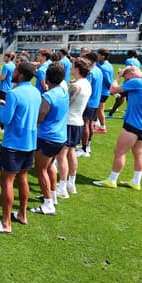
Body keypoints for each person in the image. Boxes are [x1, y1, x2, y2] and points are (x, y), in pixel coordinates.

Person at [0, 62, 41, 234]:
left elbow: (6, 120)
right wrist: (5, 103)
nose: (13, 73)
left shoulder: (13, 93)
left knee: (7, 182)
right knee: (22, 177)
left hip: (13, 143)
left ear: (21, 75)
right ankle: (22, 214)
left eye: (16, 70)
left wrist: (0, 106)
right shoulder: (36, 91)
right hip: (30, 142)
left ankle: (6, 222)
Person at [93, 66, 142, 190]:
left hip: (133, 125)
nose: (126, 81)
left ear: (131, 74)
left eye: (126, 78)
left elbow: (113, 90)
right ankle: (136, 181)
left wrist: (118, 76)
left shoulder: (136, 82)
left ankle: (112, 180)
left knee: (119, 152)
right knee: (139, 153)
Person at [30, 63, 69, 217]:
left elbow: (41, 116)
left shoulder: (48, 96)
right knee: (50, 166)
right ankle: (52, 197)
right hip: (60, 137)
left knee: (40, 169)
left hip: (48, 137)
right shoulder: (63, 92)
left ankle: (48, 204)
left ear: (47, 78)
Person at [55, 58, 91, 199]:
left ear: (77, 68)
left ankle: (63, 187)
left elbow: (66, 104)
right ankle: (71, 183)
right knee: (71, 153)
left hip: (69, 122)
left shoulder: (76, 86)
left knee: (62, 155)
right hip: (78, 122)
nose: (71, 68)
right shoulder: (86, 83)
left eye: (73, 66)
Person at [78, 51, 102, 157]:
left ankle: (84, 148)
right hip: (95, 101)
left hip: (89, 102)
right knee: (90, 124)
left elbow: (86, 87)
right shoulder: (98, 70)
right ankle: (87, 145)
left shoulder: (91, 72)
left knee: (85, 124)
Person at [107, 50, 141, 118]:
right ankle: (126, 114)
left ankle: (110, 114)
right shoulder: (138, 62)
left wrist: (121, 72)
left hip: (128, 82)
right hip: (135, 82)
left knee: (120, 97)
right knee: (128, 99)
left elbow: (129, 68)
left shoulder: (129, 60)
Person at [0, 51, 16, 133]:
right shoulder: (13, 65)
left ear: (9, 57)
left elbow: (2, 77)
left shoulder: (6, 66)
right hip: (11, 88)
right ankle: (6, 126)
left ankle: (2, 127)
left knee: (2, 107)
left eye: (5, 56)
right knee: (8, 107)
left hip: (4, 89)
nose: (3, 57)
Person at [93, 48, 114, 134]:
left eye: (98, 55)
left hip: (103, 91)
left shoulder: (105, 68)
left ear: (103, 56)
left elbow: (108, 80)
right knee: (95, 108)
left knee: (100, 109)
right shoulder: (101, 64)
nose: (97, 56)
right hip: (99, 90)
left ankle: (103, 126)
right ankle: (95, 123)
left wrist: (112, 90)